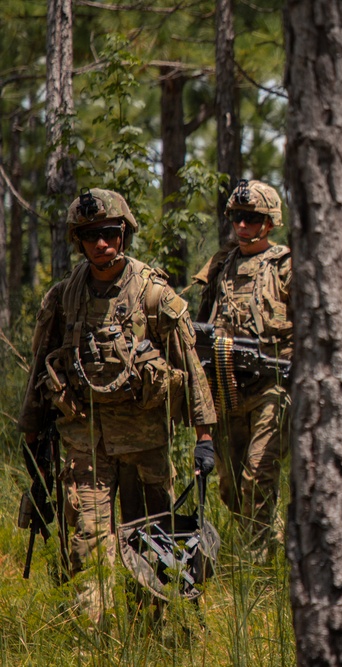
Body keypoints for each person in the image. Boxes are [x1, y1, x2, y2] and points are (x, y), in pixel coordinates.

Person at [18, 188, 216, 624]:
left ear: (124, 233)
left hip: (144, 448)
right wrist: (31, 443)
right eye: (90, 235)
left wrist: (205, 439)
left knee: (153, 547)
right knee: (86, 547)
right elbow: (38, 373)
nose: (100, 243)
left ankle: (157, 637)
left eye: (109, 233)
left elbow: (192, 371)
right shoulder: (62, 298)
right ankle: (96, 638)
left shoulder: (155, 296)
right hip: (84, 446)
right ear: (79, 240)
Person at [193, 179, 292, 560]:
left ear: (269, 222)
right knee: (230, 486)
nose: (243, 226)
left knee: (258, 473)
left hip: (272, 385)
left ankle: (258, 565)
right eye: (237, 217)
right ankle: (267, 544)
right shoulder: (221, 266)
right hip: (226, 386)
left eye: (251, 218)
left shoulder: (285, 266)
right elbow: (202, 326)